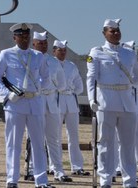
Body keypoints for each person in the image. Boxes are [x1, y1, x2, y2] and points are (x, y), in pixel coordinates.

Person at [0, 22, 50, 188]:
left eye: (27, 36)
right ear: (14, 38)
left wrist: (38, 89)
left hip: (35, 103)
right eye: (21, 36)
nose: (25, 39)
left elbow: (46, 77)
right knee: (13, 143)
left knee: (38, 143)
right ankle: (12, 179)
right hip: (15, 104)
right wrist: (7, 94)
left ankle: (41, 180)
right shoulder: (6, 54)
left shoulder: (38, 56)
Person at [86, 19, 138, 188]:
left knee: (128, 144)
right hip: (105, 101)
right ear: (104, 33)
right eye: (112, 31)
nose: (116, 33)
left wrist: (130, 84)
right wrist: (92, 99)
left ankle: (130, 180)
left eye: (117, 31)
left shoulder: (129, 53)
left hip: (127, 102)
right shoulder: (96, 52)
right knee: (106, 143)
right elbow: (91, 78)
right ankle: (105, 179)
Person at [30, 32, 68, 183]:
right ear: (34, 44)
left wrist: (52, 89)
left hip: (51, 103)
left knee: (54, 139)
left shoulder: (54, 62)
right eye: (40, 43)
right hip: (35, 101)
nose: (43, 45)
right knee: (34, 139)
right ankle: (33, 168)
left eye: (45, 43)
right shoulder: (29, 58)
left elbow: (62, 83)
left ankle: (58, 170)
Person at [49, 41, 88, 177]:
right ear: (54, 51)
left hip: (71, 101)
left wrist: (72, 91)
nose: (63, 53)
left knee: (74, 136)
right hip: (56, 100)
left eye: (64, 50)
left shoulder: (71, 65)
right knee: (55, 136)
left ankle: (77, 166)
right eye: (60, 50)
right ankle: (54, 166)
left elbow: (79, 84)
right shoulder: (50, 63)